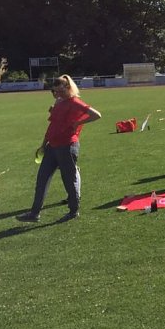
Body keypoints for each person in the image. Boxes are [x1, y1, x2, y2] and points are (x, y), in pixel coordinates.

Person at [17, 75, 102, 222]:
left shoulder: (75, 102)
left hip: (67, 147)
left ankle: (74, 211)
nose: (57, 95)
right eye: (55, 92)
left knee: (69, 180)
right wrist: (43, 145)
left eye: (60, 91)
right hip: (52, 147)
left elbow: (96, 115)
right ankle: (34, 213)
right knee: (42, 179)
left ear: (68, 88)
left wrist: (78, 122)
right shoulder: (59, 103)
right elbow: (52, 126)